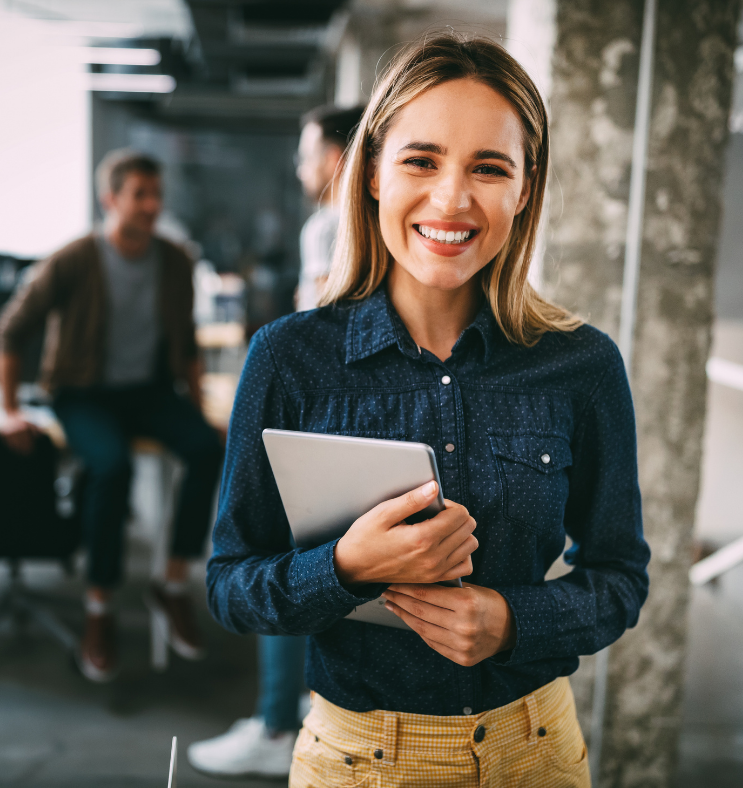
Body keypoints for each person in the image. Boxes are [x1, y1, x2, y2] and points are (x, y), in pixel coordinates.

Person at [206, 34, 650, 787]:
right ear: (374, 171)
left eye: (489, 168)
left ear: (524, 189)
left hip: (536, 752)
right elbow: (230, 586)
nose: (452, 199)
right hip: (356, 758)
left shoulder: (581, 364)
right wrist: (344, 568)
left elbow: (619, 576)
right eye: (422, 159)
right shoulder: (288, 358)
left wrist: (515, 622)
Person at [0, 149, 224, 683]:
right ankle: (99, 607)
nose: (152, 205)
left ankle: (170, 586)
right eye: (140, 194)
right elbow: (12, 330)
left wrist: (196, 411)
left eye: (156, 195)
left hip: (147, 390)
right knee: (111, 466)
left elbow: (186, 344)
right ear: (110, 199)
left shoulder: (174, 260)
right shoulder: (74, 258)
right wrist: (9, 410)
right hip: (82, 392)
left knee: (208, 448)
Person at [187, 103, 364, 780]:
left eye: (308, 152)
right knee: (330, 571)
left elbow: (317, 328)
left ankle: (277, 724)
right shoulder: (365, 224)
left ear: (341, 157)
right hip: (340, 414)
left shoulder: (330, 225)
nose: (300, 166)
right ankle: (296, 716)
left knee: (282, 562)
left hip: (319, 416)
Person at [294, 105, 365, 312]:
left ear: (333, 159)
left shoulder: (323, 228)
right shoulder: (375, 221)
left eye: (306, 158)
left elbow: (325, 313)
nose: (301, 171)